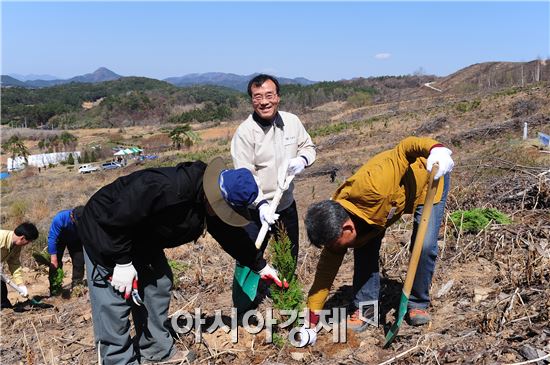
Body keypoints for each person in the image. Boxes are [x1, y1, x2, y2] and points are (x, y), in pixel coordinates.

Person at [78, 157, 266, 365]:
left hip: (142, 239)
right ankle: (117, 360)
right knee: (113, 303)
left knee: (158, 285)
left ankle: (156, 351)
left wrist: (258, 264)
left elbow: (229, 234)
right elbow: (116, 218)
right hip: (106, 234)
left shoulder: (206, 199)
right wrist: (121, 261)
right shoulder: (163, 188)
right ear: (214, 197)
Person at [303, 136, 454, 338]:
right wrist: (311, 320)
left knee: (424, 245)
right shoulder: (335, 226)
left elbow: (405, 148)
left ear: (347, 228)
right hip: (386, 209)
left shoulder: (376, 183)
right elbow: (324, 275)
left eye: (335, 245)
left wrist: (436, 149)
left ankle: (418, 303)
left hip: (429, 178)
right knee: (364, 245)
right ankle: (366, 310)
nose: (334, 249)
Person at [231, 74, 316, 285]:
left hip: (285, 205)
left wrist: (303, 160)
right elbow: (244, 177)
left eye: (269, 95)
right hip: (254, 211)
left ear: (278, 97)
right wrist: (260, 205)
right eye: (257, 97)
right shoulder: (245, 133)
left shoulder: (292, 122)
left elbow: (308, 146)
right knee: (249, 257)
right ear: (252, 101)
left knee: (288, 255)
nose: (264, 101)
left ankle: (284, 291)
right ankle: (244, 303)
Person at [1, 222, 39, 309]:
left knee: (2, 290)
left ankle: (4, 308)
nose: (27, 244)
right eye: (28, 242)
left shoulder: (16, 246)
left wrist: (20, 285)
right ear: (22, 238)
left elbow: (14, 264)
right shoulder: (1, 238)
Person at [47, 206, 85, 291]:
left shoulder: (86, 218)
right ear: (71, 215)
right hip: (60, 239)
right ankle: (55, 288)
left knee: (79, 261)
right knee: (55, 264)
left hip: (76, 239)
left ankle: (77, 285)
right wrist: (53, 259)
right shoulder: (60, 218)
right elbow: (52, 238)